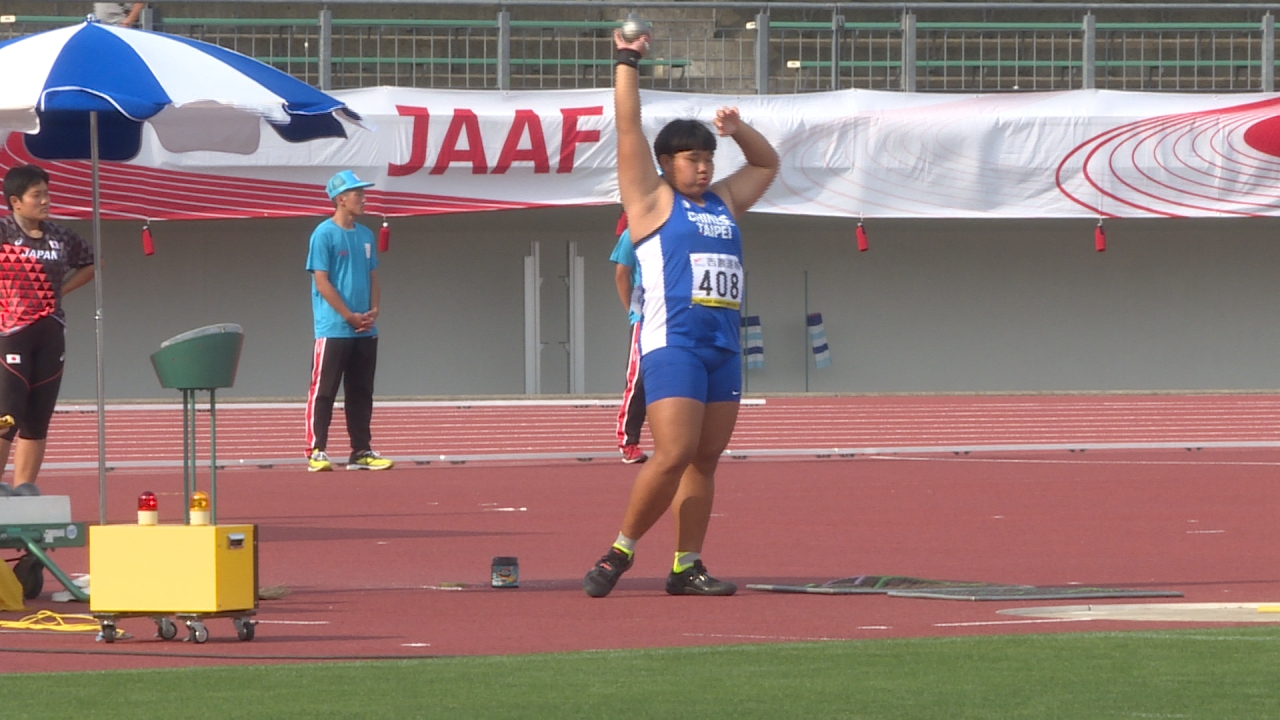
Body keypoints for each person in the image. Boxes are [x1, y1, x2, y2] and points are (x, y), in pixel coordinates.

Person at [583, 28, 779, 597]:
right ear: (666, 162)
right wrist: (627, 60)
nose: (703, 168)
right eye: (693, 159)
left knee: (706, 459)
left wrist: (738, 132)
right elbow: (627, 129)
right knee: (671, 454)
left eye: (708, 159)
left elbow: (767, 163)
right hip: (673, 343)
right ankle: (619, 551)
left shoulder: (724, 201)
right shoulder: (651, 200)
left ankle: (685, 565)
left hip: (722, 346)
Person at [0, 165, 95, 497]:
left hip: (50, 331)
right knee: (6, 414)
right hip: (11, 331)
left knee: (37, 416)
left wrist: (61, 291)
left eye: (46, 194)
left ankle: (24, 489)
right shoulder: (3, 232)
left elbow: (89, 264)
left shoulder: (61, 236)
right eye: (36, 195)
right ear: (16, 201)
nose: (45, 201)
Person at [305, 170, 394, 473]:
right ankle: (317, 450)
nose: (364, 199)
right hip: (334, 329)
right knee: (325, 391)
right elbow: (322, 281)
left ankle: (361, 450)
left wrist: (374, 310)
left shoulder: (366, 235)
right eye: (358, 194)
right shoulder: (323, 234)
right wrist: (348, 315)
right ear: (340, 199)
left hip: (365, 330)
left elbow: (373, 275)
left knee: (361, 392)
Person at [610, 215, 648, 465]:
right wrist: (633, 313)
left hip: (679, 315)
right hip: (646, 317)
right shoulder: (634, 231)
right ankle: (628, 441)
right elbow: (622, 274)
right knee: (639, 380)